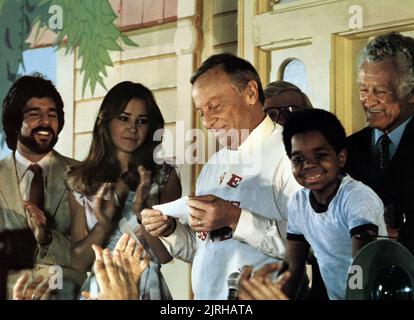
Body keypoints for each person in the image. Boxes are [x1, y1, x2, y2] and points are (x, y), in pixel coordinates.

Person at [141, 53, 301, 299]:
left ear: (250, 93)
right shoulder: (213, 165)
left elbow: (305, 244)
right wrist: (170, 230)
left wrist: (235, 218)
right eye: (201, 112)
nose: (207, 121)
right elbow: (203, 250)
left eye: (215, 106)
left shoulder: (291, 153)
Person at [66, 81, 181, 300]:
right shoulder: (81, 180)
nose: (133, 128)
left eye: (142, 121)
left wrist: (142, 213)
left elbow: (165, 256)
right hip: (101, 287)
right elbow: (79, 261)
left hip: (149, 286)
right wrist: (104, 224)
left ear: (151, 127)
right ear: (106, 122)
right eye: (123, 118)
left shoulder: (164, 176)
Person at [281, 109, 386, 300]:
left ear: (341, 157)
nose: (309, 165)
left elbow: (362, 266)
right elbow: (292, 266)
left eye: (320, 155)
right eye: (298, 159)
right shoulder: (298, 203)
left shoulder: (357, 198)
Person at [0, 74, 84, 298]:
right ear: (15, 122)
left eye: (52, 114)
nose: (46, 122)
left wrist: (47, 238)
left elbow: (90, 254)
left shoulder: (84, 176)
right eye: (35, 114)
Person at [346, 32, 414, 254]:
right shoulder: (344, 150)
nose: (369, 101)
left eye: (381, 91)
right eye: (364, 90)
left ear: (411, 93)